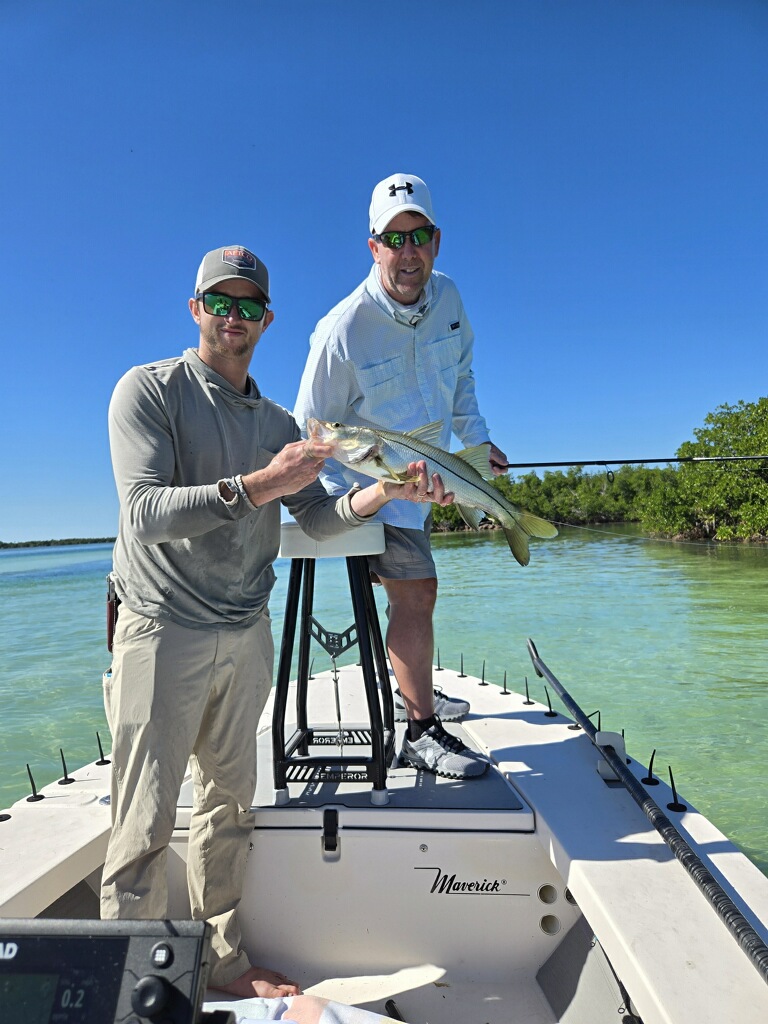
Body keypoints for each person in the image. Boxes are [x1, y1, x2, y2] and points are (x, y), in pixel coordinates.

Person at [101, 245, 452, 999]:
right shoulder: (149, 392)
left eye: (249, 306)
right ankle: (135, 991)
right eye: (219, 303)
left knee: (230, 810)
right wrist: (262, 482)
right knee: (143, 824)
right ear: (195, 310)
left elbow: (319, 518)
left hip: (246, 630)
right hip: (160, 630)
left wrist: (384, 494)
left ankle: (223, 966)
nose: (234, 318)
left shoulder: (280, 421)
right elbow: (144, 515)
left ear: (267, 319)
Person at [294, 173, 508, 781]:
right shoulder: (343, 329)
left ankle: (417, 691)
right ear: (374, 247)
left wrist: (477, 442)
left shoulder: (451, 300)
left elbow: (461, 379)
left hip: (432, 476)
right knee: (417, 592)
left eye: (418, 236)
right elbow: (312, 428)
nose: (407, 252)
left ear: (436, 241)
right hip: (366, 488)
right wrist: (356, 497)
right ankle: (419, 730)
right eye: (394, 239)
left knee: (420, 595)